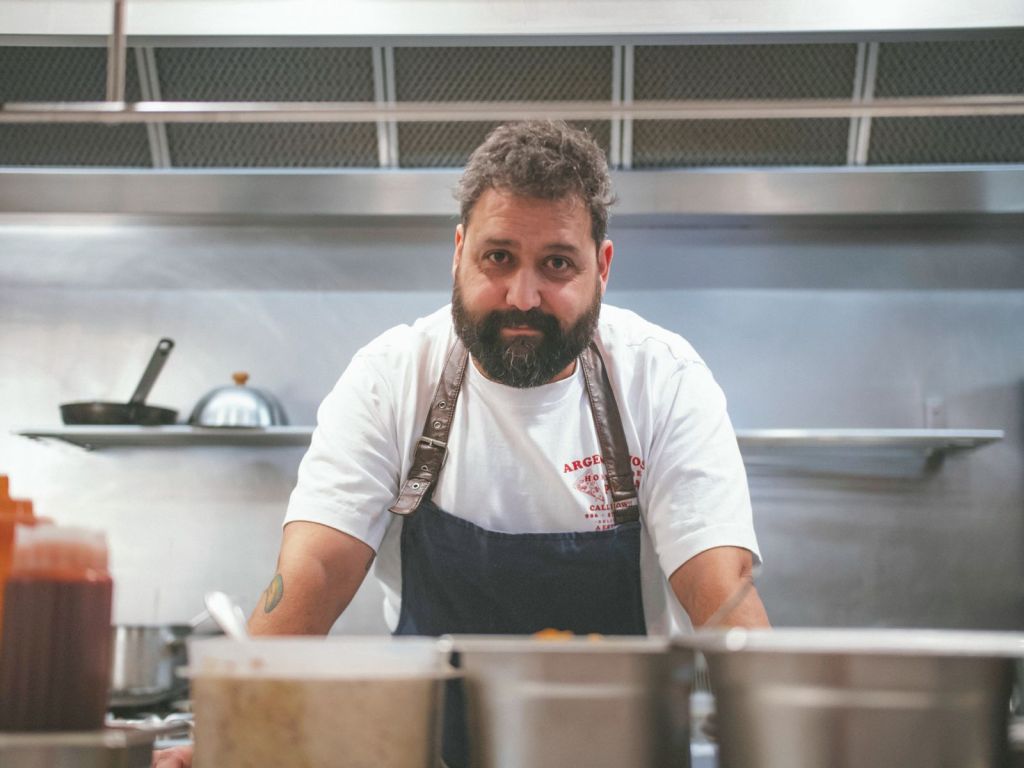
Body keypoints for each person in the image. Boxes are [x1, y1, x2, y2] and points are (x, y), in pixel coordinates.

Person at [152, 120, 768, 768]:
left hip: (617, 752)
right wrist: (234, 732)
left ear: (602, 268)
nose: (522, 297)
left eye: (556, 264)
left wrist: (772, 737)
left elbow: (718, 586)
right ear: (458, 252)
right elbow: (317, 568)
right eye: (497, 257)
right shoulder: (392, 377)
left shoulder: (660, 377)